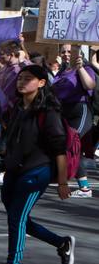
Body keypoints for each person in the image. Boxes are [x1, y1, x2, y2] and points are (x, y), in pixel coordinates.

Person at [0, 64, 76, 264]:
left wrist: (63, 182)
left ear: (41, 83)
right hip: (14, 170)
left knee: (17, 218)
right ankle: (61, 243)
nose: (22, 82)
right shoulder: (17, 108)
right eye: (20, 78)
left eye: (28, 79)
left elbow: (59, 149)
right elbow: (10, 139)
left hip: (37, 172)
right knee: (18, 218)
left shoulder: (48, 112)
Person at [51, 44, 95, 197]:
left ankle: (84, 188)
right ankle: (82, 187)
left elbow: (90, 85)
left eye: (70, 51)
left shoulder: (86, 68)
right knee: (67, 147)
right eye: (63, 51)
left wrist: (80, 67)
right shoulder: (63, 72)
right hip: (63, 112)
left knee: (72, 144)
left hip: (80, 111)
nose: (66, 54)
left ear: (78, 52)